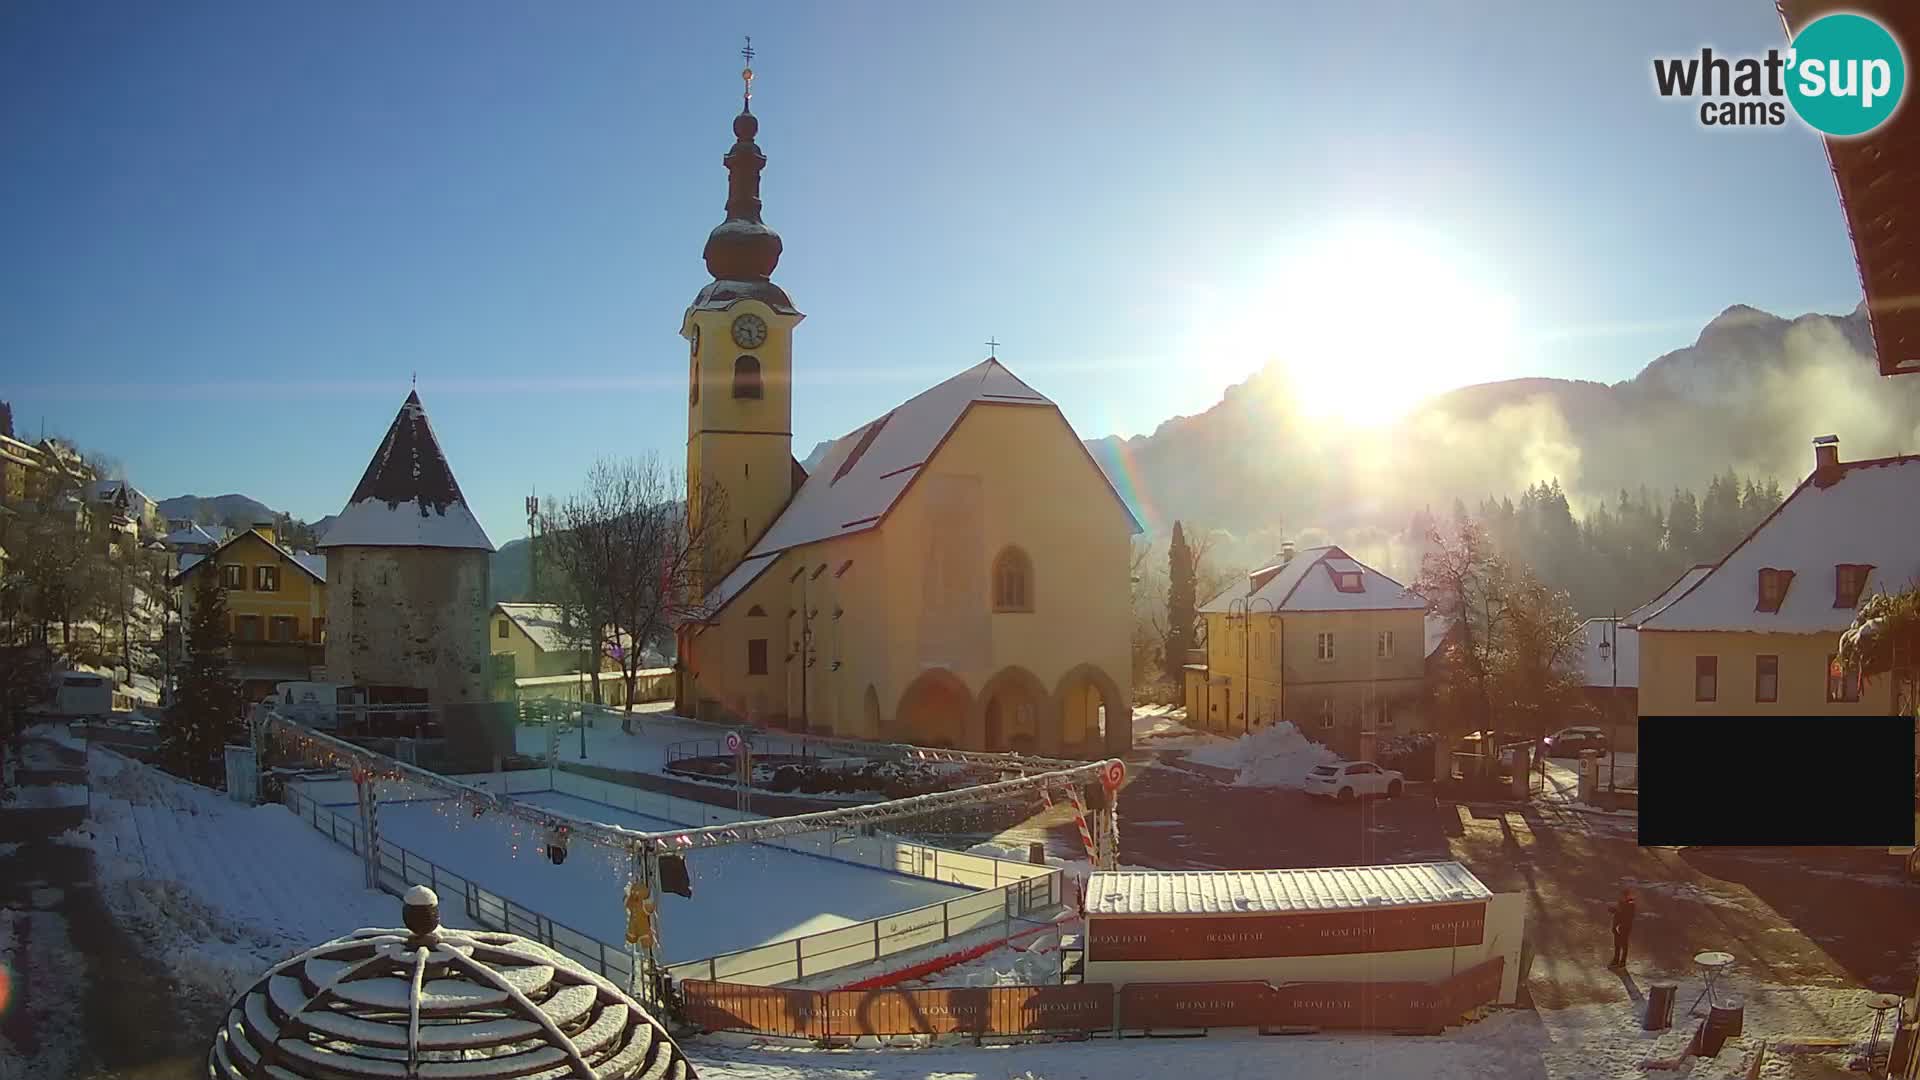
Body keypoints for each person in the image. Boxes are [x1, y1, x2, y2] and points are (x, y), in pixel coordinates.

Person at [1608, 888, 1637, 967]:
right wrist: (1613, 910)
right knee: (1617, 944)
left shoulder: (1631, 904)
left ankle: (1622, 961)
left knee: (1623, 944)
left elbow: (1627, 915)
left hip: (1625, 927)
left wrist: (1617, 911)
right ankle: (1616, 960)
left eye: (1624, 896)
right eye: (1622, 896)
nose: (1622, 897)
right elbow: (1619, 913)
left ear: (1627, 896)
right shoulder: (1621, 903)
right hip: (1617, 927)